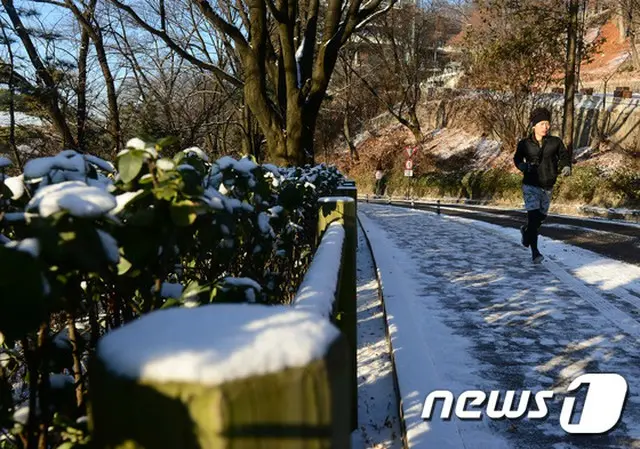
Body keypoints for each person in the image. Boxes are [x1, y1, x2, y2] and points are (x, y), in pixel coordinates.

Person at [514, 107, 571, 264]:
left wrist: (566, 166)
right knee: (533, 218)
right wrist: (522, 166)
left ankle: (526, 232)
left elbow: (564, 156)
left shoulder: (555, 142)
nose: (545, 127)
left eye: (547, 124)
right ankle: (535, 253)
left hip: (547, 185)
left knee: (540, 218)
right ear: (534, 126)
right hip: (531, 185)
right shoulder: (524, 144)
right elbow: (517, 158)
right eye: (542, 124)